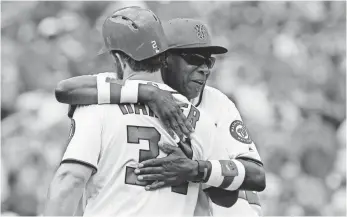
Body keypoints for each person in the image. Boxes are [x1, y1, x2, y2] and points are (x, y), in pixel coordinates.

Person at [45, 7, 254, 216]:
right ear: (163, 56)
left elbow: (70, 179)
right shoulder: (201, 121)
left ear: (118, 57)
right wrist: (195, 168)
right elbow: (226, 198)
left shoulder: (96, 105)